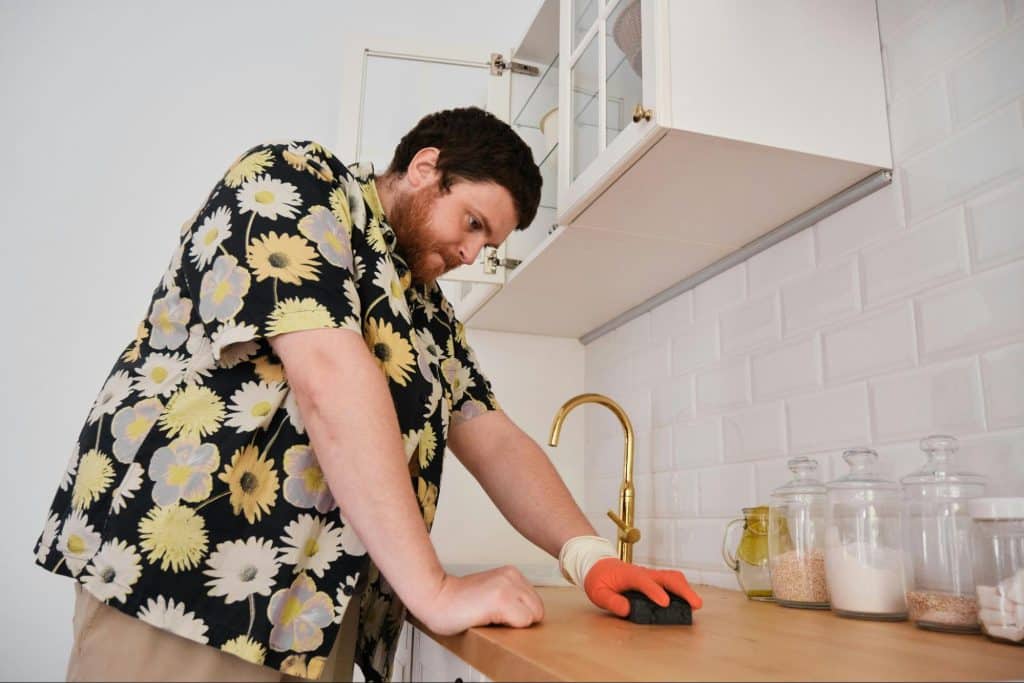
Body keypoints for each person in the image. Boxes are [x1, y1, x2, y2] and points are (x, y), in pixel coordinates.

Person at [34, 106, 703, 682]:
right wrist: (434, 589)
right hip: (181, 590)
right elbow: (328, 371)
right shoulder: (293, 180)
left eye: (489, 242)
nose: (473, 254)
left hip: (309, 619)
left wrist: (588, 558)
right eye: (472, 222)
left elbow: (492, 434)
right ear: (425, 168)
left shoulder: (425, 310)